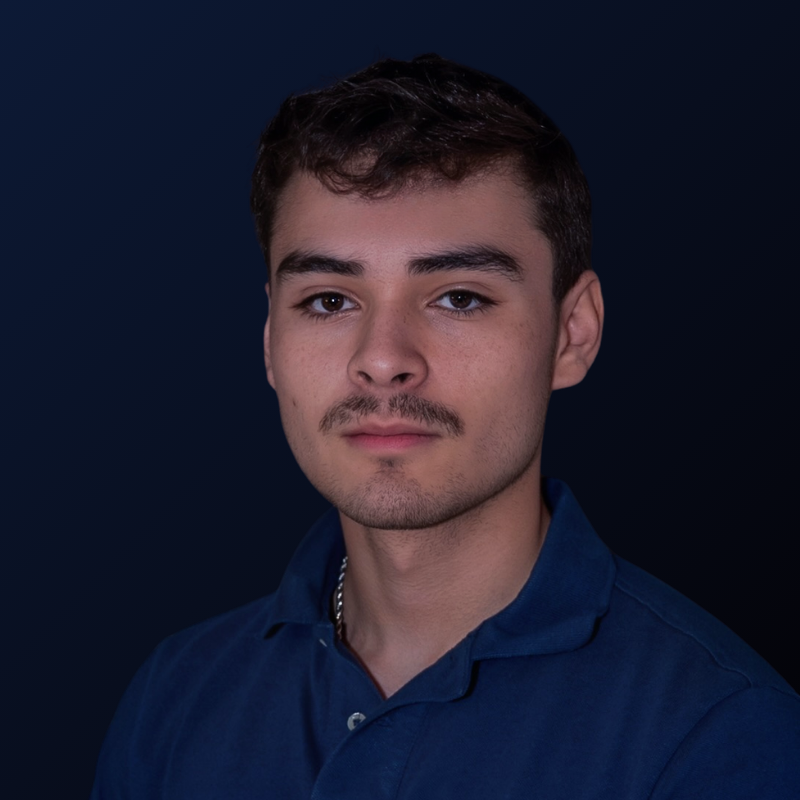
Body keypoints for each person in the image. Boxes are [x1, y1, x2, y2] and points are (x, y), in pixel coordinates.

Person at [91, 54, 800, 799]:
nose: (383, 361)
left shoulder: (724, 739)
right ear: (271, 340)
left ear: (573, 333)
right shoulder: (173, 701)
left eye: (459, 297)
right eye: (329, 301)